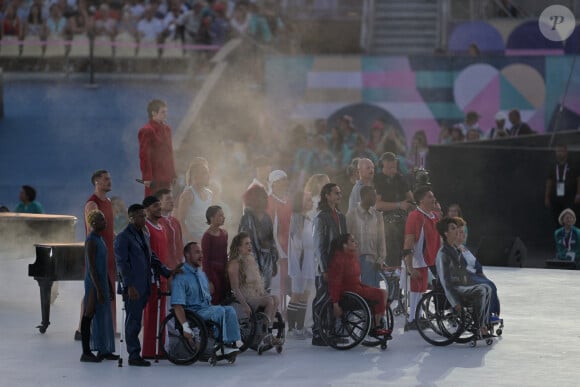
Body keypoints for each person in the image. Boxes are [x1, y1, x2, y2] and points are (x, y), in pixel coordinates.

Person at [114, 204, 178, 367]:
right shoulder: (123, 237)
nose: (144, 218)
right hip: (133, 287)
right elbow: (122, 264)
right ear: (131, 217)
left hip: (144, 284)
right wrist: (128, 286)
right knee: (133, 320)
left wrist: (166, 271)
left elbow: (152, 257)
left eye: (144, 215)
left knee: (136, 320)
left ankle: (136, 352)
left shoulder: (144, 234)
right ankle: (134, 354)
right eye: (140, 216)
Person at [172, 242, 240, 356]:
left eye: (201, 252)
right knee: (219, 311)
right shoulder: (181, 276)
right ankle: (219, 345)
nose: (201, 255)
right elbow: (177, 305)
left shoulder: (201, 274)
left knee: (230, 310)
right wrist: (185, 327)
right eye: (197, 252)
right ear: (188, 256)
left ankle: (229, 344)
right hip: (193, 312)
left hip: (205, 309)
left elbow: (207, 297)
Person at [75, 170, 117, 341]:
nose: (109, 182)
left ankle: (108, 328)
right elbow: (93, 231)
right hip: (98, 253)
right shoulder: (92, 204)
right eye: (106, 179)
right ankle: (82, 329)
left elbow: (109, 229)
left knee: (105, 290)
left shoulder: (107, 202)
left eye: (110, 178)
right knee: (92, 290)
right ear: (96, 182)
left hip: (108, 252)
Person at [435, 217, 492, 338]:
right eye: (453, 228)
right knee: (481, 290)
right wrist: (455, 302)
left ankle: (482, 325)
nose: (457, 231)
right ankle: (479, 327)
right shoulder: (443, 253)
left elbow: (463, 274)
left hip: (461, 285)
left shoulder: (456, 250)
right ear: (446, 233)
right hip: (452, 289)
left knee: (487, 288)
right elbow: (445, 282)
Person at [327, 234, 390, 337]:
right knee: (381, 294)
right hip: (350, 292)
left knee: (383, 294)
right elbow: (335, 282)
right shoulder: (339, 259)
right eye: (352, 241)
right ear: (344, 245)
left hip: (356, 287)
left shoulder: (353, 257)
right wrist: (335, 303)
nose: (356, 242)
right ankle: (375, 326)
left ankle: (375, 323)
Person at [226, 232, 280, 345]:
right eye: (246, 244)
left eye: (250, 243)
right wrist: (244, 304)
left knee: (276, 298)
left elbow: (257, 283)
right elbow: (235, 288)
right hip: (244, 296)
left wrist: (264, 293)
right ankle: (265, 334)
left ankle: (267, 330)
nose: (250, 246)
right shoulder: (234, 263)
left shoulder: (250, 259)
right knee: (269, 301)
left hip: (255, 294)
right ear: (239, 247)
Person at [80, 210, 118, 363]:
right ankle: (86, 352)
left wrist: (109, 285)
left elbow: (103, 266)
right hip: (93, 284)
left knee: (103, 316)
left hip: (101, 282)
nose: (105, 222)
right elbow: (92, 268)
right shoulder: (91, 241)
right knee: (89, 314)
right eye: (102, 219)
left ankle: (104, 350)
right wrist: (98, 290)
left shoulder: (100, 239)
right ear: (94, 223)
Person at [311, 183, 347, 346]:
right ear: (327, 195)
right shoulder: (321, 216)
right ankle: (318, 333)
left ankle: (332, 331)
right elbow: (319, 245)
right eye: (336, 193)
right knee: (322, 298)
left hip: (339, 264)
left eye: (340, 192)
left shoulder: (340, 215)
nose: (339, 195)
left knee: (335, 297)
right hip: (325, 265)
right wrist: (324, 268)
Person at [402, 186, 440, 331]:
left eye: (433, 196)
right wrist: (410, 267)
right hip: (418, 259)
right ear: (421, 200)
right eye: (430, 197)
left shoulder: (434, 216)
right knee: (416, 289)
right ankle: (412, 319)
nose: (433, 199)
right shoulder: (415, 216)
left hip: (430, 259)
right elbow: (408, 241)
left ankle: (417, 317)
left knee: (421, 290)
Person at [455, 217, 501, 320]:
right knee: (488, 285)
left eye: (464, 232)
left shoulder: (465, 248)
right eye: (461, 232)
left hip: (474, 276)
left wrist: (484, 278)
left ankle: (492, 314)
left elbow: (477, 267)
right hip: (465, 278)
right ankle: (487, 316)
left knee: (490, 284)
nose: (464, 234)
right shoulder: (453, 249)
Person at [141, 195, 169, 359]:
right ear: (146, 210)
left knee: (162, 313)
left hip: (163, 274)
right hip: (152, 275)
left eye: (159, 205)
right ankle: (149, 350)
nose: (159, 208)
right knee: (151, 312)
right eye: (154, 206)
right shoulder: (146, 227)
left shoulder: (162, 227)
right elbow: (148, 253)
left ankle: (161, 348)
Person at [374, 152, 414, 267]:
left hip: (403, 220)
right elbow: (377, 205)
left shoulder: (400, 178)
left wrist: (410, 204)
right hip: (385, 223)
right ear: (382, 166)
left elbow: (410, 198)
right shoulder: (378, 180)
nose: (393, 170)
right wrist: (398, 205)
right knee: (392, 254)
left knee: (406, 251)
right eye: (389, 167)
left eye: (394, 167)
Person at [239, 184, 278, 291]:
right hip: (251, 262)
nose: (265, 199)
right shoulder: (247, 218)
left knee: (266, 291)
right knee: (254, 293)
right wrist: (251, 262)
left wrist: (274, 261)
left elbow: (271, 240)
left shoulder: (267, 217)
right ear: (253, 198)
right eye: (262, 196)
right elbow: (243, 243)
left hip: (267, 261)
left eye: (265, 196)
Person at [287, 191, 315, 339]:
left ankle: (300, 326)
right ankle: (291, 328)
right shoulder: (297, 218)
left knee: (305, 294)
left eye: (311, 200)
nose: (311, 202)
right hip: (300, 261)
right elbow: (297, 243)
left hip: (308, 259)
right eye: (308, 200)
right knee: (297, 294)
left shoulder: (308, 219)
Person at [346, 186, 386, 288]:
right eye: (372, 195)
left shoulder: (378, 216)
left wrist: (381, 259)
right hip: (356, 261)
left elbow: (381, 240)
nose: (375, 198)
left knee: (372, 294)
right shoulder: (351, 215)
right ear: (363, 196)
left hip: (373, 261)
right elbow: (346, 238)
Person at [138, 99, 176, 197]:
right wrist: (147, 177)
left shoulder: (167, 130)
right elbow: (144, 155)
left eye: (166, 112)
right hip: (155, 177)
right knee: (154, 204)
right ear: (154, 113)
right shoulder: (146, 130)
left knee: (167, 203)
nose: (166, 115)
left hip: (166, 176)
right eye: (163, 112)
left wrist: (173, 174)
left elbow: (170, 153)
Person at [266, 170, 292, 314]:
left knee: (287, 285)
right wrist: (275, 249)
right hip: (277, 249)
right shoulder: (270, 201)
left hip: (289, 247)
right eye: (282, 180)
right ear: (274, 184)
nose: (285, 182)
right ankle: (277, 316)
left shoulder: (288, 200)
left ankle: (285, 314)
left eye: (286, 179)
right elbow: (271, 228)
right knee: (278, 284)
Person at [177, 158, 212, 243]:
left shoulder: (210, 194)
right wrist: (192, 240)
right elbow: (180, 221)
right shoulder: (188, 195)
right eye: (201, 173)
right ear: (194, 176)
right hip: (192, 241)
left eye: (205, 173)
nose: (204, 175)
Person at [545, 144, 580, 228]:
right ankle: (560, 238)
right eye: (558, 151)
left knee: (570, 218)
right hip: (556, 197)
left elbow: (578, 179)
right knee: (557, 219)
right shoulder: (553, 165)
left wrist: (578, 194)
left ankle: (571, 238)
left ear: (566, 152)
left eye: (561, 151)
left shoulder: (572, 164)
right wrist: (547, 196)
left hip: (569, 197)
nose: (559, 153)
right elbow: (549, 181)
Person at [201, 205, 229, 305]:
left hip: (223, 271)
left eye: (223, 215)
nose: (223, 217)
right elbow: (205, 260)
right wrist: (208, 281)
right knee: (215, 298)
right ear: (211, 218)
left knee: (225, 297)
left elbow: (225, 255)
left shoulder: (224, 233)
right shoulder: (207, 236)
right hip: (213, 272)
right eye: (220, 215)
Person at [155, 189, 183, 269]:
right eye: (168, 199)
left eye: (172, 198)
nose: (171, 201)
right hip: (163, 270)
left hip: (178, 269)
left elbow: (180, 244)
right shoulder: (155, 223)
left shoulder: (176, 222)